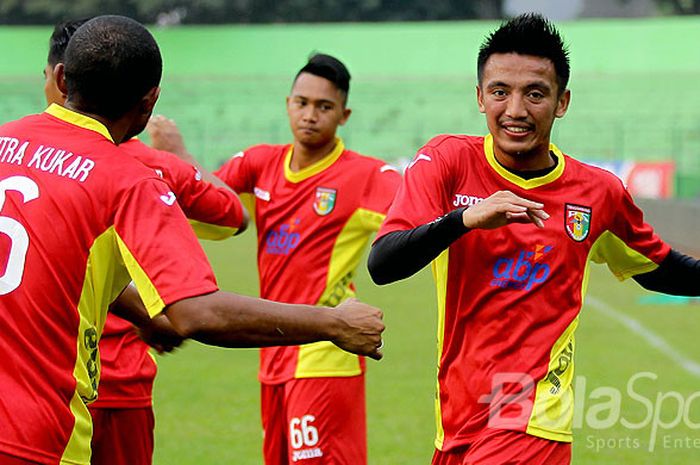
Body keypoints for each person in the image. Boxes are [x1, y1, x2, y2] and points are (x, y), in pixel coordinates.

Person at [0, 15, 384, 465]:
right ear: (149, 103)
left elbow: (51, 267)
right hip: (39, 436)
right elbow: (196, 310)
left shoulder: (5, 140)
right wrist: (332, 324)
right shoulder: (130, 180)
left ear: (62, 79)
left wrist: (141, 310)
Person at [368, 13, 700, 465]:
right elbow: (383, 264)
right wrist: (462, 221)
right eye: (501, 92)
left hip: (533, 416)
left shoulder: (597, 193)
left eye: (535, 94)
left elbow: (659, 269)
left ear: (562, 102)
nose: (516, 110)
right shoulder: (446, 161)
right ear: (480, 97)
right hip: (457, 417)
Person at [42, 18, 251, 465]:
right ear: (148, 101)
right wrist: (180, 156)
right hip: (108, 380)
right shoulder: (145, 171)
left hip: (48, 381)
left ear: (61, 79)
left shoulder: (14, 149)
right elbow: (231, 216)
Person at [208, 54, 401, 465]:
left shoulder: (365, 176)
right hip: (272, 351)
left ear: (344, 114)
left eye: (324, 107)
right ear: (287, 103)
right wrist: (175, 156)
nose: (310, 115)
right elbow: (204, 203)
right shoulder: (259, 163)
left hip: (325, 353)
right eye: (302, 103)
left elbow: (416, 213)